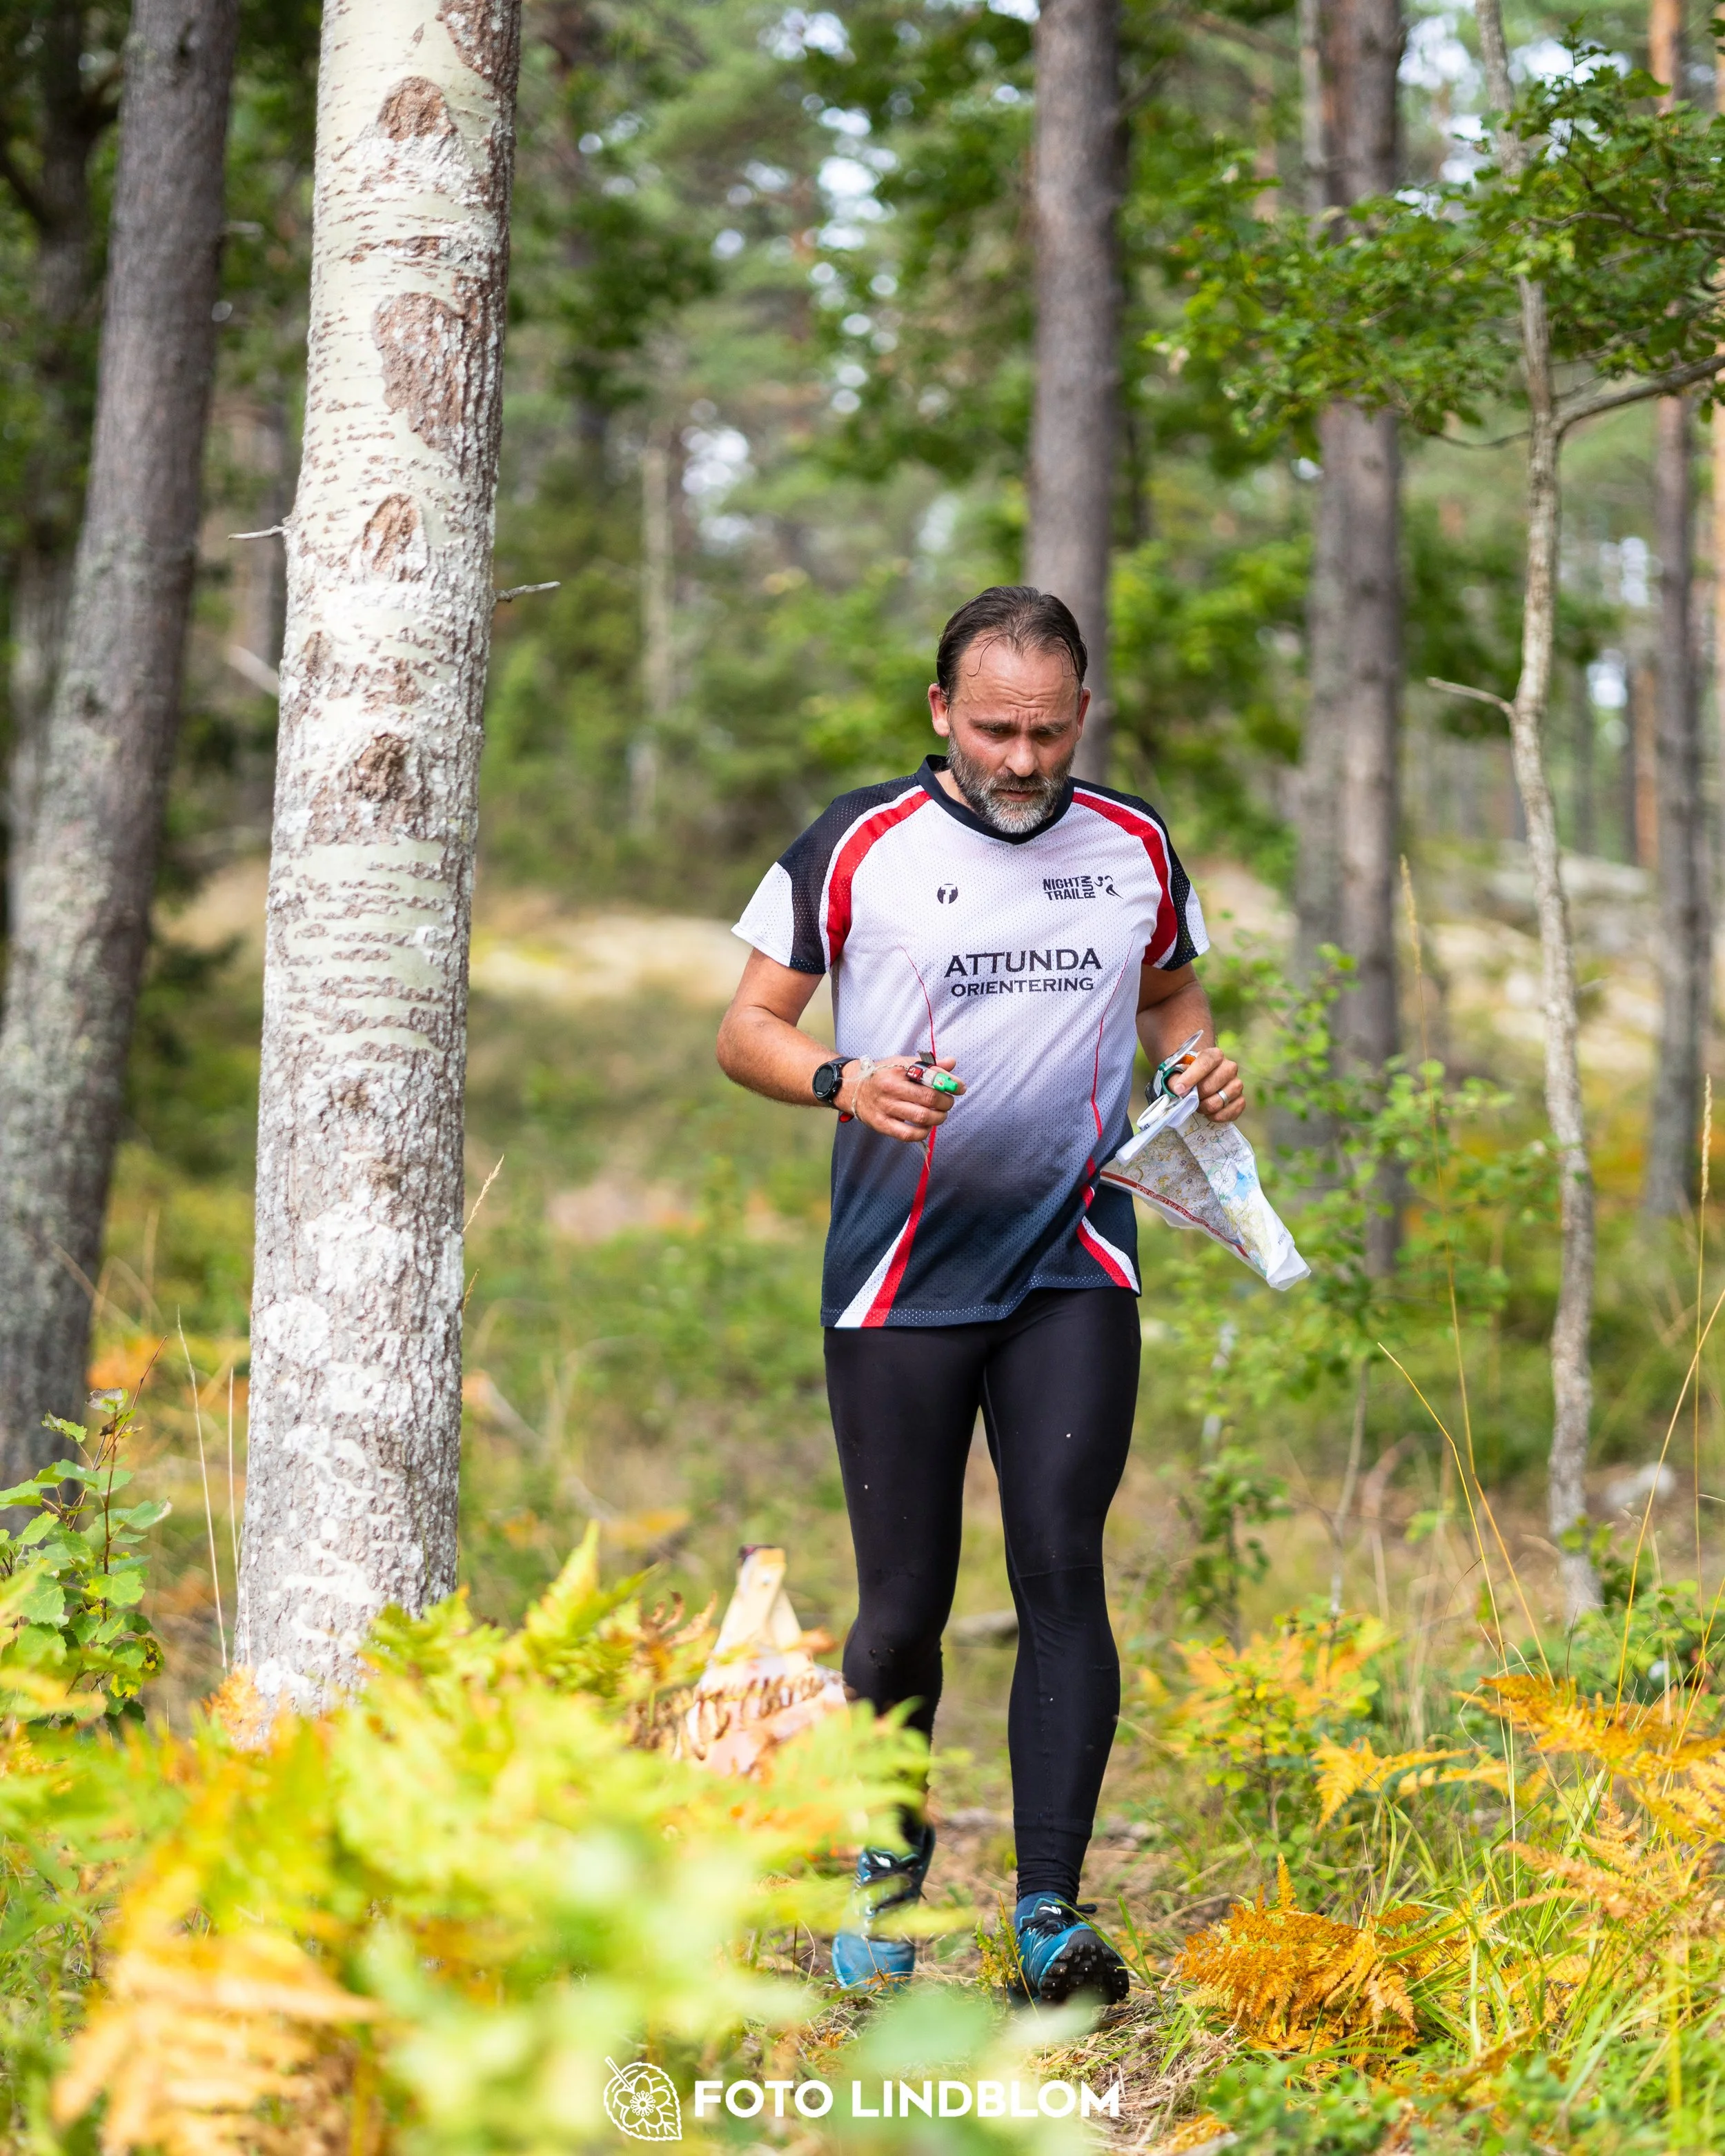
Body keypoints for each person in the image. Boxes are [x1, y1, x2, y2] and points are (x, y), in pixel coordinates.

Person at [716, 585, 1245, 2004]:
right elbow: (743, 1028)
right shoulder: (856, 843)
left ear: (1081, 715)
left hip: (1076, 1256)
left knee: (1060, 1562)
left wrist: (1197, 1062)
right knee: (902, 1604)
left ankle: (1047, 1914)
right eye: (996, 729)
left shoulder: (1130, 841)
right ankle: (885, 1886)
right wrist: (839, 1076)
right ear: (940, 712)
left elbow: (1171, 996)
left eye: (1048, 731)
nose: (1022, 760)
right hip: (900, 1272)